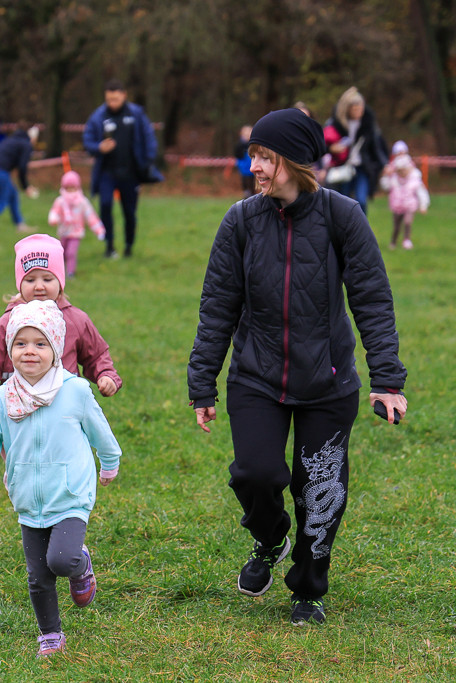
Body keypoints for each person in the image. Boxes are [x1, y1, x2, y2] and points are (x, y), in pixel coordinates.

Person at [187, 108, 408, 626]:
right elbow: (218, 305)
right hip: (256, 377)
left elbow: (372, 299)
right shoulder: (240, 221)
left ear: (295, 162)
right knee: (255, 473)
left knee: (320, 489)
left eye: (265, 157)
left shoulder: (342, 216)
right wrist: (203, 384)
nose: (255, 168)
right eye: (253, 156)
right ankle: (270, 537)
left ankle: (307, 589)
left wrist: (388, 380)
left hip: (327, 383)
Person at [0, 298, 121, 657]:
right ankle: (50, 635)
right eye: (20, 344)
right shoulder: (1, 400)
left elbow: (100, 431)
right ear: (9, 351)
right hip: (27, 497)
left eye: (40, 344)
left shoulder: (74, 391)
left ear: (56, 349)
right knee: (38, 577)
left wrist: (110, 462)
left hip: (70, 492)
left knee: (61, 559)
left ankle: (80, 563)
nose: (30, 352)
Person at [0, 234, 121, 398]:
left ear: (60, 282)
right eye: (30, 280)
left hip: (63, 403)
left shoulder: (76, 320)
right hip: (18, 403)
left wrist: (105, 374)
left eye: (47, 279)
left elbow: (96, 355)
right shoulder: (9, 321)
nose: (39, 286)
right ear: (20, 284)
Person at [83, 79, 162, 259]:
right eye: (109, 99)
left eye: (116, 99)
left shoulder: (136, 114)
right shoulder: (98, 117)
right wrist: (98, 147)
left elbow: (149, 139)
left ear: (124, 95)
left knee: (129, 211)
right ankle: (109, 246)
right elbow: (88, 141)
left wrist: (147, 163)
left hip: (130, 173)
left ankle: (128, 246)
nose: (112, 103)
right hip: (106, 173)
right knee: (105, 205)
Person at [322, 87, 389, 214]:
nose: (358, 111)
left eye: (360, 107)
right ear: (348, 108)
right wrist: (331, 148)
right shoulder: (337, 124)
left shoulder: (368, 124)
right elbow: (324, 144)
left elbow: (376, 147)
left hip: (362, 167)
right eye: (355, 108)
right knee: (343, 201)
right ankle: (344, 230)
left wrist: (384, 163)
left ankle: (362, 229)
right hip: (343, 167)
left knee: (361, 200)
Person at [0, 123, 40, 233]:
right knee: (1, 201)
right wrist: (26, 187)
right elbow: (22, 168)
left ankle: (20, 224)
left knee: (13, 194)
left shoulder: (10, 140)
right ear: (33, 138)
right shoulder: (26, 145)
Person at [47, 171, 104, 278]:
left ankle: (70, 272)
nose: (70, 190)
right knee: (61, 253)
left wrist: (99, 230)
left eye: (73, 187)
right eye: (68, 187)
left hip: (76, 233)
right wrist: (53, 219)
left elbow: (90, 216)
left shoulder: (82, 202)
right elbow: (55, 211)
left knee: (71, 253)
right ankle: (59, 272)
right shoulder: (60, 201)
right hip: (64, 232)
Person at [379, 144, 429, 250]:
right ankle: (393, 241)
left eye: (404, 170)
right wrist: (385, 175)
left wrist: (423, 205)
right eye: (400, 171)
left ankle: (407, 240)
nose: (403, 172)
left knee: (407, 222)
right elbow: (385, 186)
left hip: (410, 205)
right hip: (397, 205)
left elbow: (421, 191)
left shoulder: (414, 177)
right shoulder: (393, 178)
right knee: (396, 226)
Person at [234, 125, 256, 199]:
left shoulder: (253, 144)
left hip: (252, 166)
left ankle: (252, 193)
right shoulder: (240, 144)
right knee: (245, 180)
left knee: (252, 181)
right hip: (244, 166)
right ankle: (246, 193)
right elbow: (237, 155)